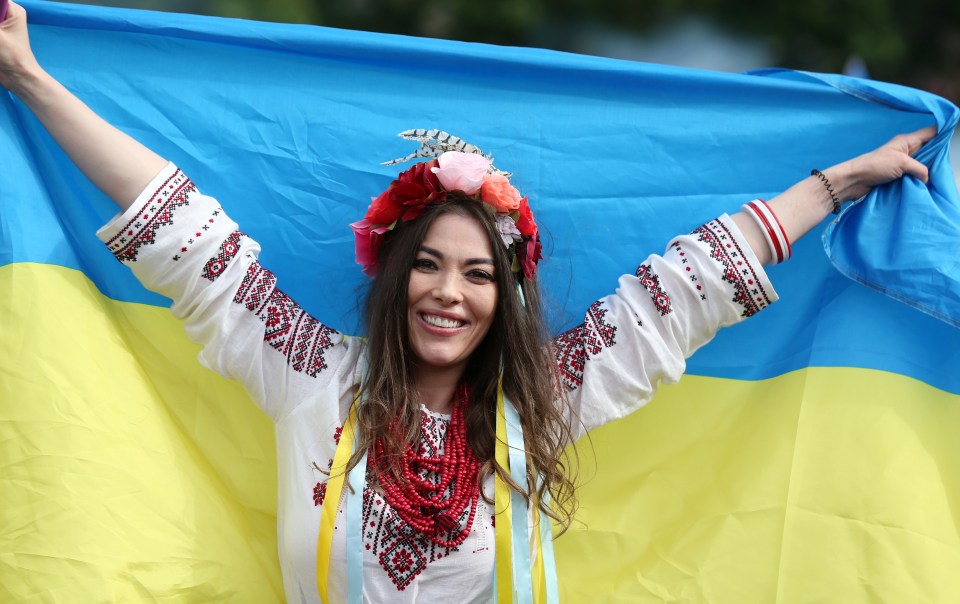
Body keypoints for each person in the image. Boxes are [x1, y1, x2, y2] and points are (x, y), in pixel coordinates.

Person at [0, 2, 937, 602]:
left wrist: (839, 182)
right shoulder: (310, 376)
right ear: (395, 273)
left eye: (481, 274)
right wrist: (32, 83)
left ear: (505, 297)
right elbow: (184, 234)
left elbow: (686, 290)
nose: (451, 292)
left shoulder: (543, 404)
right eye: (431, 266)